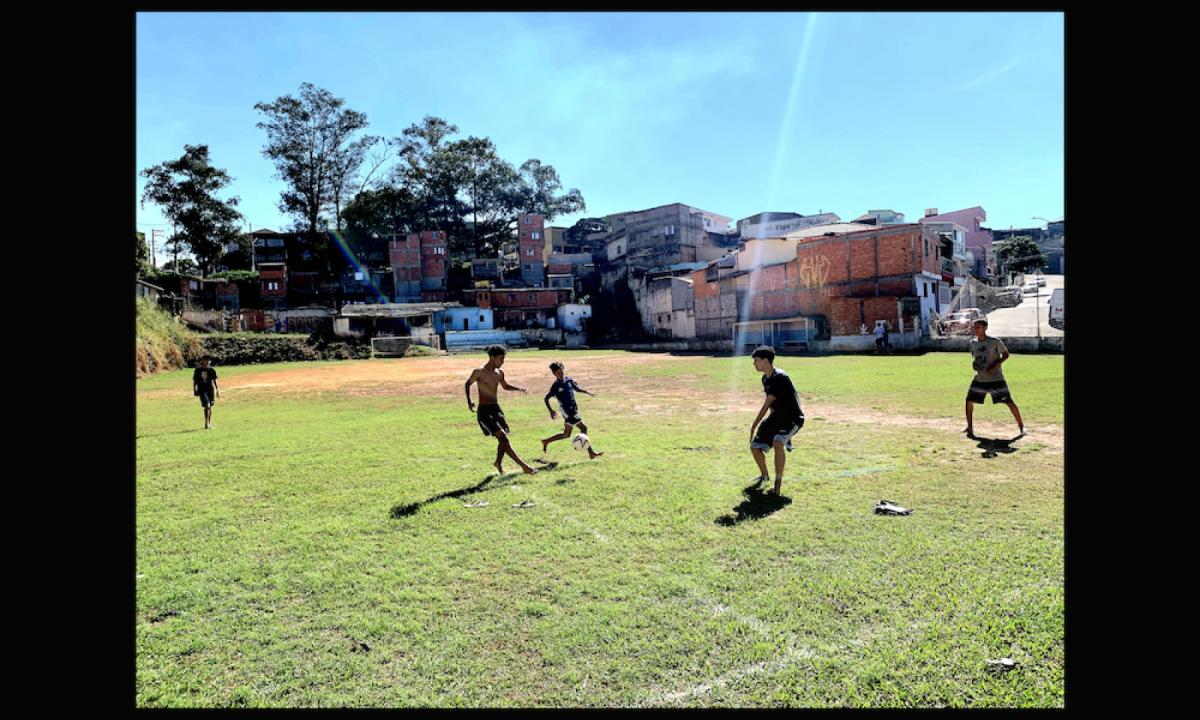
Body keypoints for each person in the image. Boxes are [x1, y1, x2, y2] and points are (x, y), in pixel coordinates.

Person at [465, 345, 539, 475]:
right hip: (484, 411)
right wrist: (469, 400)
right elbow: (468, 383)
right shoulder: (479, 372)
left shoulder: (500, 373)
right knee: (503, 438)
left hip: (496, 409)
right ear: (492, 358)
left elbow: (505, 386)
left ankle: (498, 462)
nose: (502, 362)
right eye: (501, 359)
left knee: (503, 439)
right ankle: (524, 466)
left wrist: (518, 388)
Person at [749, 346, 805, 496]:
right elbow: (773, 406)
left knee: (778, 442)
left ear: (765, 361)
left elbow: (767, 403)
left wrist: (754, 425)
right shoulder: (765, 378)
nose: (754, 363)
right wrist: (768, 424)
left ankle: (777, 486)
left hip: (792, 418)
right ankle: (764, 476)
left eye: (756, 360)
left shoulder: (780, 378)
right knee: (755, 447)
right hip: (777, 416)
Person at [964, 319, 1024, 437]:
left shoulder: (995, 341)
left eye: (978, 327)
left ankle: (1021, 426)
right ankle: (969, 427)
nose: (975, 330)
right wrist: (974, 365)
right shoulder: (973, 343)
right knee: (969, 401)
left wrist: (994, 366)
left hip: (996, 379)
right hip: (980, 379)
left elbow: (1006, 354)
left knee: (1009, 402)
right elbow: (975, 358)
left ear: (985, 328)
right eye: (974, 327)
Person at [541, 362, 604, 459]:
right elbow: (546, 398)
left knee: (566, 434)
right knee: (583, 428)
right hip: (568, 412)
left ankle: (546, 441)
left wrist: (587, 392)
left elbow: (577, 389)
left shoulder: (568, 380)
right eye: (558, 373)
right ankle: (591, 452)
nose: (560, 375)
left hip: (573, 409)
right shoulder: (555, 386)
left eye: (561, 372)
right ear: (554, 374)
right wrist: (551, 411)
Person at [192, 356, 220, 430]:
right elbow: (195, 380)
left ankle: (208, 423)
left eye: (209, 360)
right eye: (206, 360)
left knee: (209, 406)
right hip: (202, 389)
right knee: (207, 405)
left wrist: (218, 390)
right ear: (203, 360)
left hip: (209, 389)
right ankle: (207, 424)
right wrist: (195, 389)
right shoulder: (198, 370)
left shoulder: (211, 370)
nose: (208, 361)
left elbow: (214, 380)